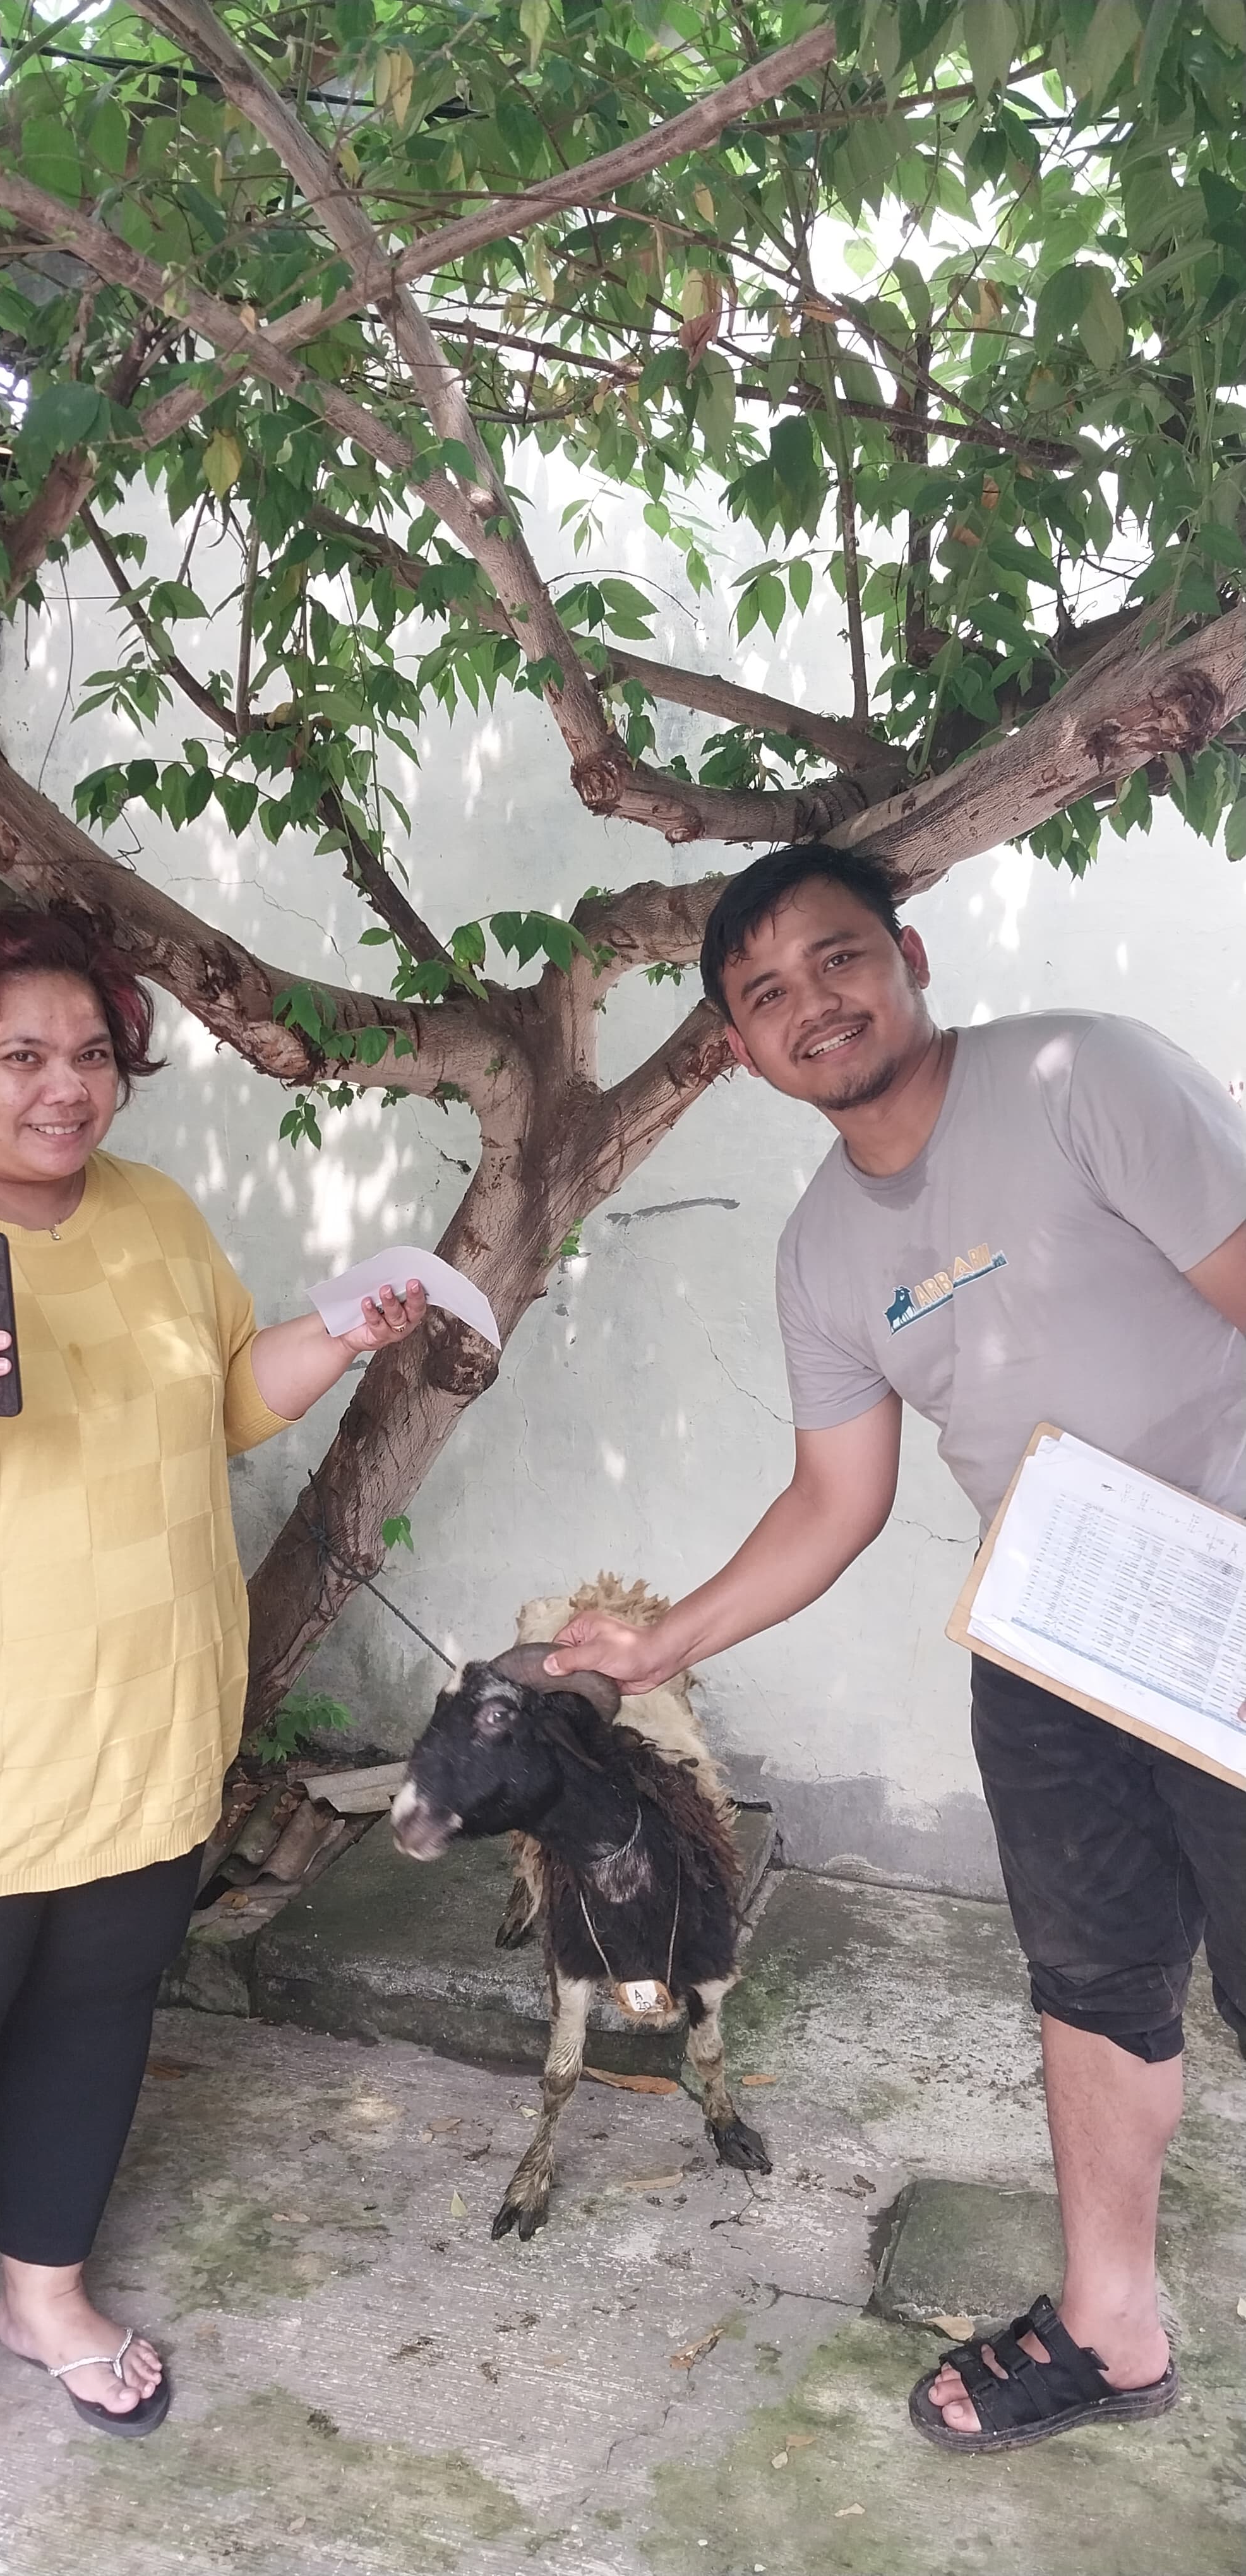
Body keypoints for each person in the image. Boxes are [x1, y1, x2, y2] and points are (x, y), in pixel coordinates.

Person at [546, 843, 1246, 2456]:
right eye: (765, 994)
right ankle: (1109, 2328)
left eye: (838, 958)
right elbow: (831, 1500)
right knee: (1089, 1985)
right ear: (738, 1048)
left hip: (1229, 1598)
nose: (814, 1004)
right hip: (1054, 1645)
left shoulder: (1083, 1076)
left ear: (908, 957)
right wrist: (658, 1643)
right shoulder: (818, 1253)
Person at [0, 907, 426, 2576]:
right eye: (22, 1054)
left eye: (92, 1053)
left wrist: (340, 1332)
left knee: (88, 2032)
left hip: (138, 1748)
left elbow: (216, 1397)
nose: (65, 1087)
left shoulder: (151, 1213)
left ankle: (43, 2299)